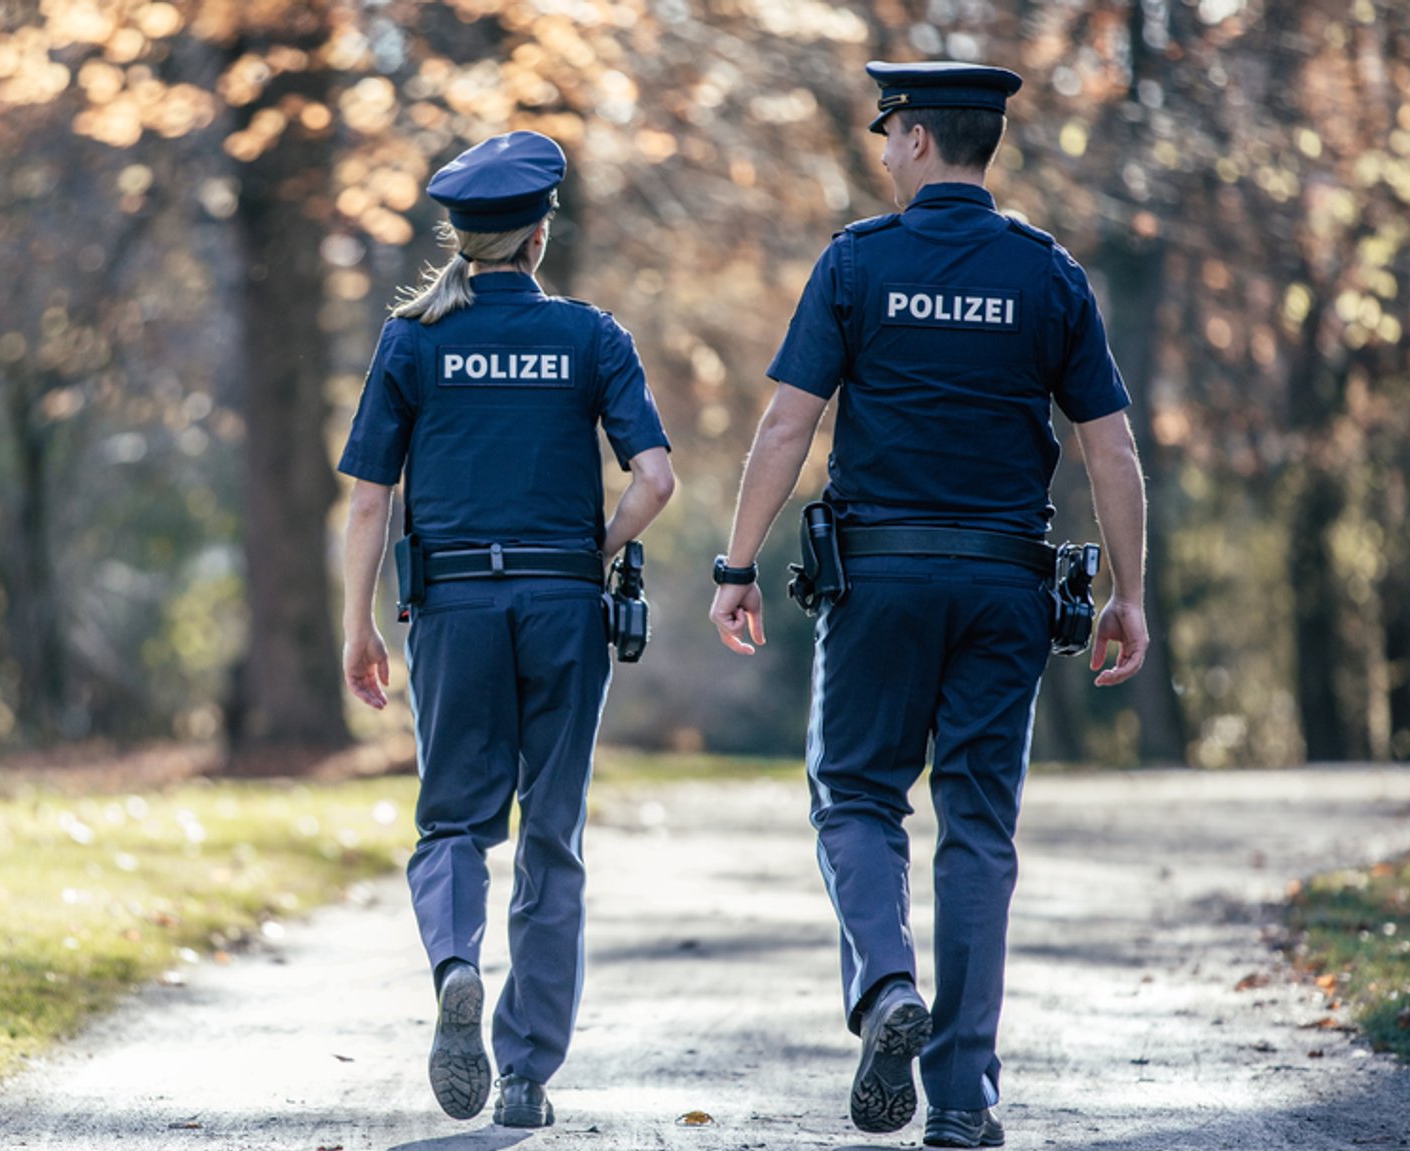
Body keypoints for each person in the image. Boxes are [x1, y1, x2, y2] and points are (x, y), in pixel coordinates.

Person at [705, 62, 1150, 1148]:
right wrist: (1129, 595)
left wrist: (735, 562)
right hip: (1005, 584)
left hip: (879, 579)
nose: (879, 149)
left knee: (854, 793)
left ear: (911, 138)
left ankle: (885, 986)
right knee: (977, 828)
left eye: (885, 132)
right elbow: (1110, 446)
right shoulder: (1046, 274)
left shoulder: (857, 262)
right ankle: (961, 1094)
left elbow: (783, 427)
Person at [337, 130, 675, 1129]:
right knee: (551, 834)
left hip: (453, 609)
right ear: (539, 232)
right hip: (564, 604)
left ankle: (453, 964)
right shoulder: (590, 336)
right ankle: (525, 1075)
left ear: (462, 233)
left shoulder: (411, 338)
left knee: (451, 820)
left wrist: (357, 624)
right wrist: (599, 546)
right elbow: (653, 479)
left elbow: (368, 501)